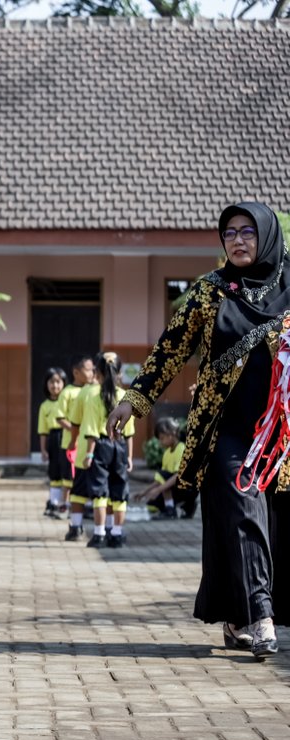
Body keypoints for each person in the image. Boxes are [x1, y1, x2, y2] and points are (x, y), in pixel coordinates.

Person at [107, 202, 288, 660]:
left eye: (248, 231)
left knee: (264, 522)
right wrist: (133, 399)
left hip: (282, 435)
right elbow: (170, 350)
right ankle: (260, 616)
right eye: (229, 233)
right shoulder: (210, 292)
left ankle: (235, 615)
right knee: (244, 508)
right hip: (226, 431)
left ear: (266, 235)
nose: (239, 240)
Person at [80, 353, 134, 548]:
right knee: (119, 491)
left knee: (100, 491)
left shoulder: (94, 397)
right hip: (119, 446)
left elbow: (93, 431)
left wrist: (89, 454)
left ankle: (99, 533)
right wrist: (129, 456)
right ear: (119, 373)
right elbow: (129, 433)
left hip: (101, 446)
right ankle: (117, 534)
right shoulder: (126, 397)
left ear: (98, 374)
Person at [64, 356, 101, 541]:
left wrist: (72, 442)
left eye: (93, 368)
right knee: (103, 492)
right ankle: (107, 531)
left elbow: (75, 423)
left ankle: (77, 527)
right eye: (88, 368)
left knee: (78, 491)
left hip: (86, 448)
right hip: (107, 450)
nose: (91, 372)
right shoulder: (117, 392)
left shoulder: (85, 392)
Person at [37, 367, 70, 519]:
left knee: (67, 472)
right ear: (46, 384)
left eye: (58, 382)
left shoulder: (69, 401)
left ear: (64, 383)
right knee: (54, 472)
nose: (55, 386)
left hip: (68, 437)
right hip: (53, 438)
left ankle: (66, 504)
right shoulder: (44, 406)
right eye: (52, 382)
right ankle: (54, 502)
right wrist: (43, 450)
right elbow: (43, 431)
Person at [138, 418, 185, 519]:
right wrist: (144, 492)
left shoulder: (181, 449)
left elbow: (178, 476)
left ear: (171, 434)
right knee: (152, 504)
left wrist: (158, 490)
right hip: (175, 487)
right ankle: (180, 506)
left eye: (162, 438)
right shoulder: (167, 453)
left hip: (187, 488)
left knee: (164, 478)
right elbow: (160, 479)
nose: (160, 442)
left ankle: (170, 510)